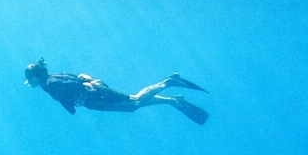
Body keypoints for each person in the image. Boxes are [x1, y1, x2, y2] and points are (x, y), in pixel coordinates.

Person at [24, 59, 208, 125]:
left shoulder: (51, 84)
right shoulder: (52, 79)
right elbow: (76, 80)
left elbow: (72, 97)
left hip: (95, 97)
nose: (30, 84)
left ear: (34, 79)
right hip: (95, 94)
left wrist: (75, 99)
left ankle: (168, 82)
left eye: (30, 80)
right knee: (131, 106)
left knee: (134, 101)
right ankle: (172, 100)